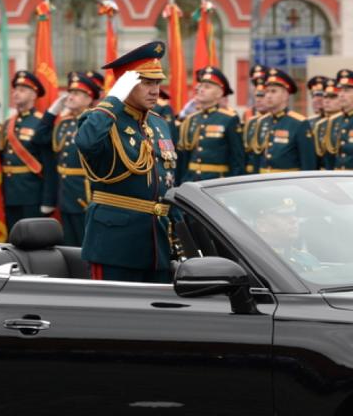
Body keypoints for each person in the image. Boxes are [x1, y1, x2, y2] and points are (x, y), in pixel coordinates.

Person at [76, 40, 177, 282]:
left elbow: (169, 183)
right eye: (146, 83)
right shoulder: (101, 119)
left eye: (157, 82)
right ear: (124, 85)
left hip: (158, 244)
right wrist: (113, 99)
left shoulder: (159, 123)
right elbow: (87, 142)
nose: (155, 90)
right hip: (115, 246)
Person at [38, 72, 103, 247]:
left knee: (86, 245)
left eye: (76, 93)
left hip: (85, 196)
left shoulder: (94, 122)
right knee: (69, 246)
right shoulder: (64, 124)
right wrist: (52, 112)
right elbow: (40, 139)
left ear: (89, 99)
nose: (70, 97)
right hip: (65, 196)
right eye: (70, 92)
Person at [0, 70, 54, 232]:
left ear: (33, 96)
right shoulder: (7, 124)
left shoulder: (40, 123)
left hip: (32, 194)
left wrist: (48, 200)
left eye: (22, 90)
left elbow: (49, 164)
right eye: (15, 90)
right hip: (9, 193)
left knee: (33, 241)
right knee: (12, 240)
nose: (16, 93)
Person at [177, 66, 244, 182]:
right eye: (201, 86)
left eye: (207, 87)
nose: (201, 89)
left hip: (216, 182)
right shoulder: (191, 120)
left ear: (219, 94)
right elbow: (183, 158)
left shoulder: (229, 119)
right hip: (191, 181)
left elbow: (237, 160)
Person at [256, 68, 316, 173]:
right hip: (263, 183)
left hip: (287, 184)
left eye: (273, 91)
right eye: (266, 92)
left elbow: (308, 164)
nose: (268, 95)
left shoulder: (299, 123)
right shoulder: (262, 121)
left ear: (285, 95)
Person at [313, 79, 341, 170]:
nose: (327, 101)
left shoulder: (345, 122)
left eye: (332, 97)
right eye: (325, 97)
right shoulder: (320, 125)